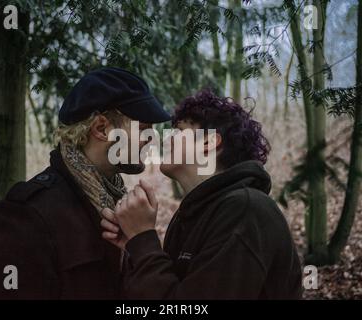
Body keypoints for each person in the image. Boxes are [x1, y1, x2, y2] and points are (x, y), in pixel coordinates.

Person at [0, 67, 171, 299]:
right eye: (143, 128)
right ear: (101, 128)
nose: (152, 138)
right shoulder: (28, 215)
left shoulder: (118, 206)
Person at [101, 89, 303, 299]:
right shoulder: (191, 215)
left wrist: (144, 240)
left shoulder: (246, 211)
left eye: (178, 131)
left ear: (208, 142)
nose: (165, 139)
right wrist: (136, 247)